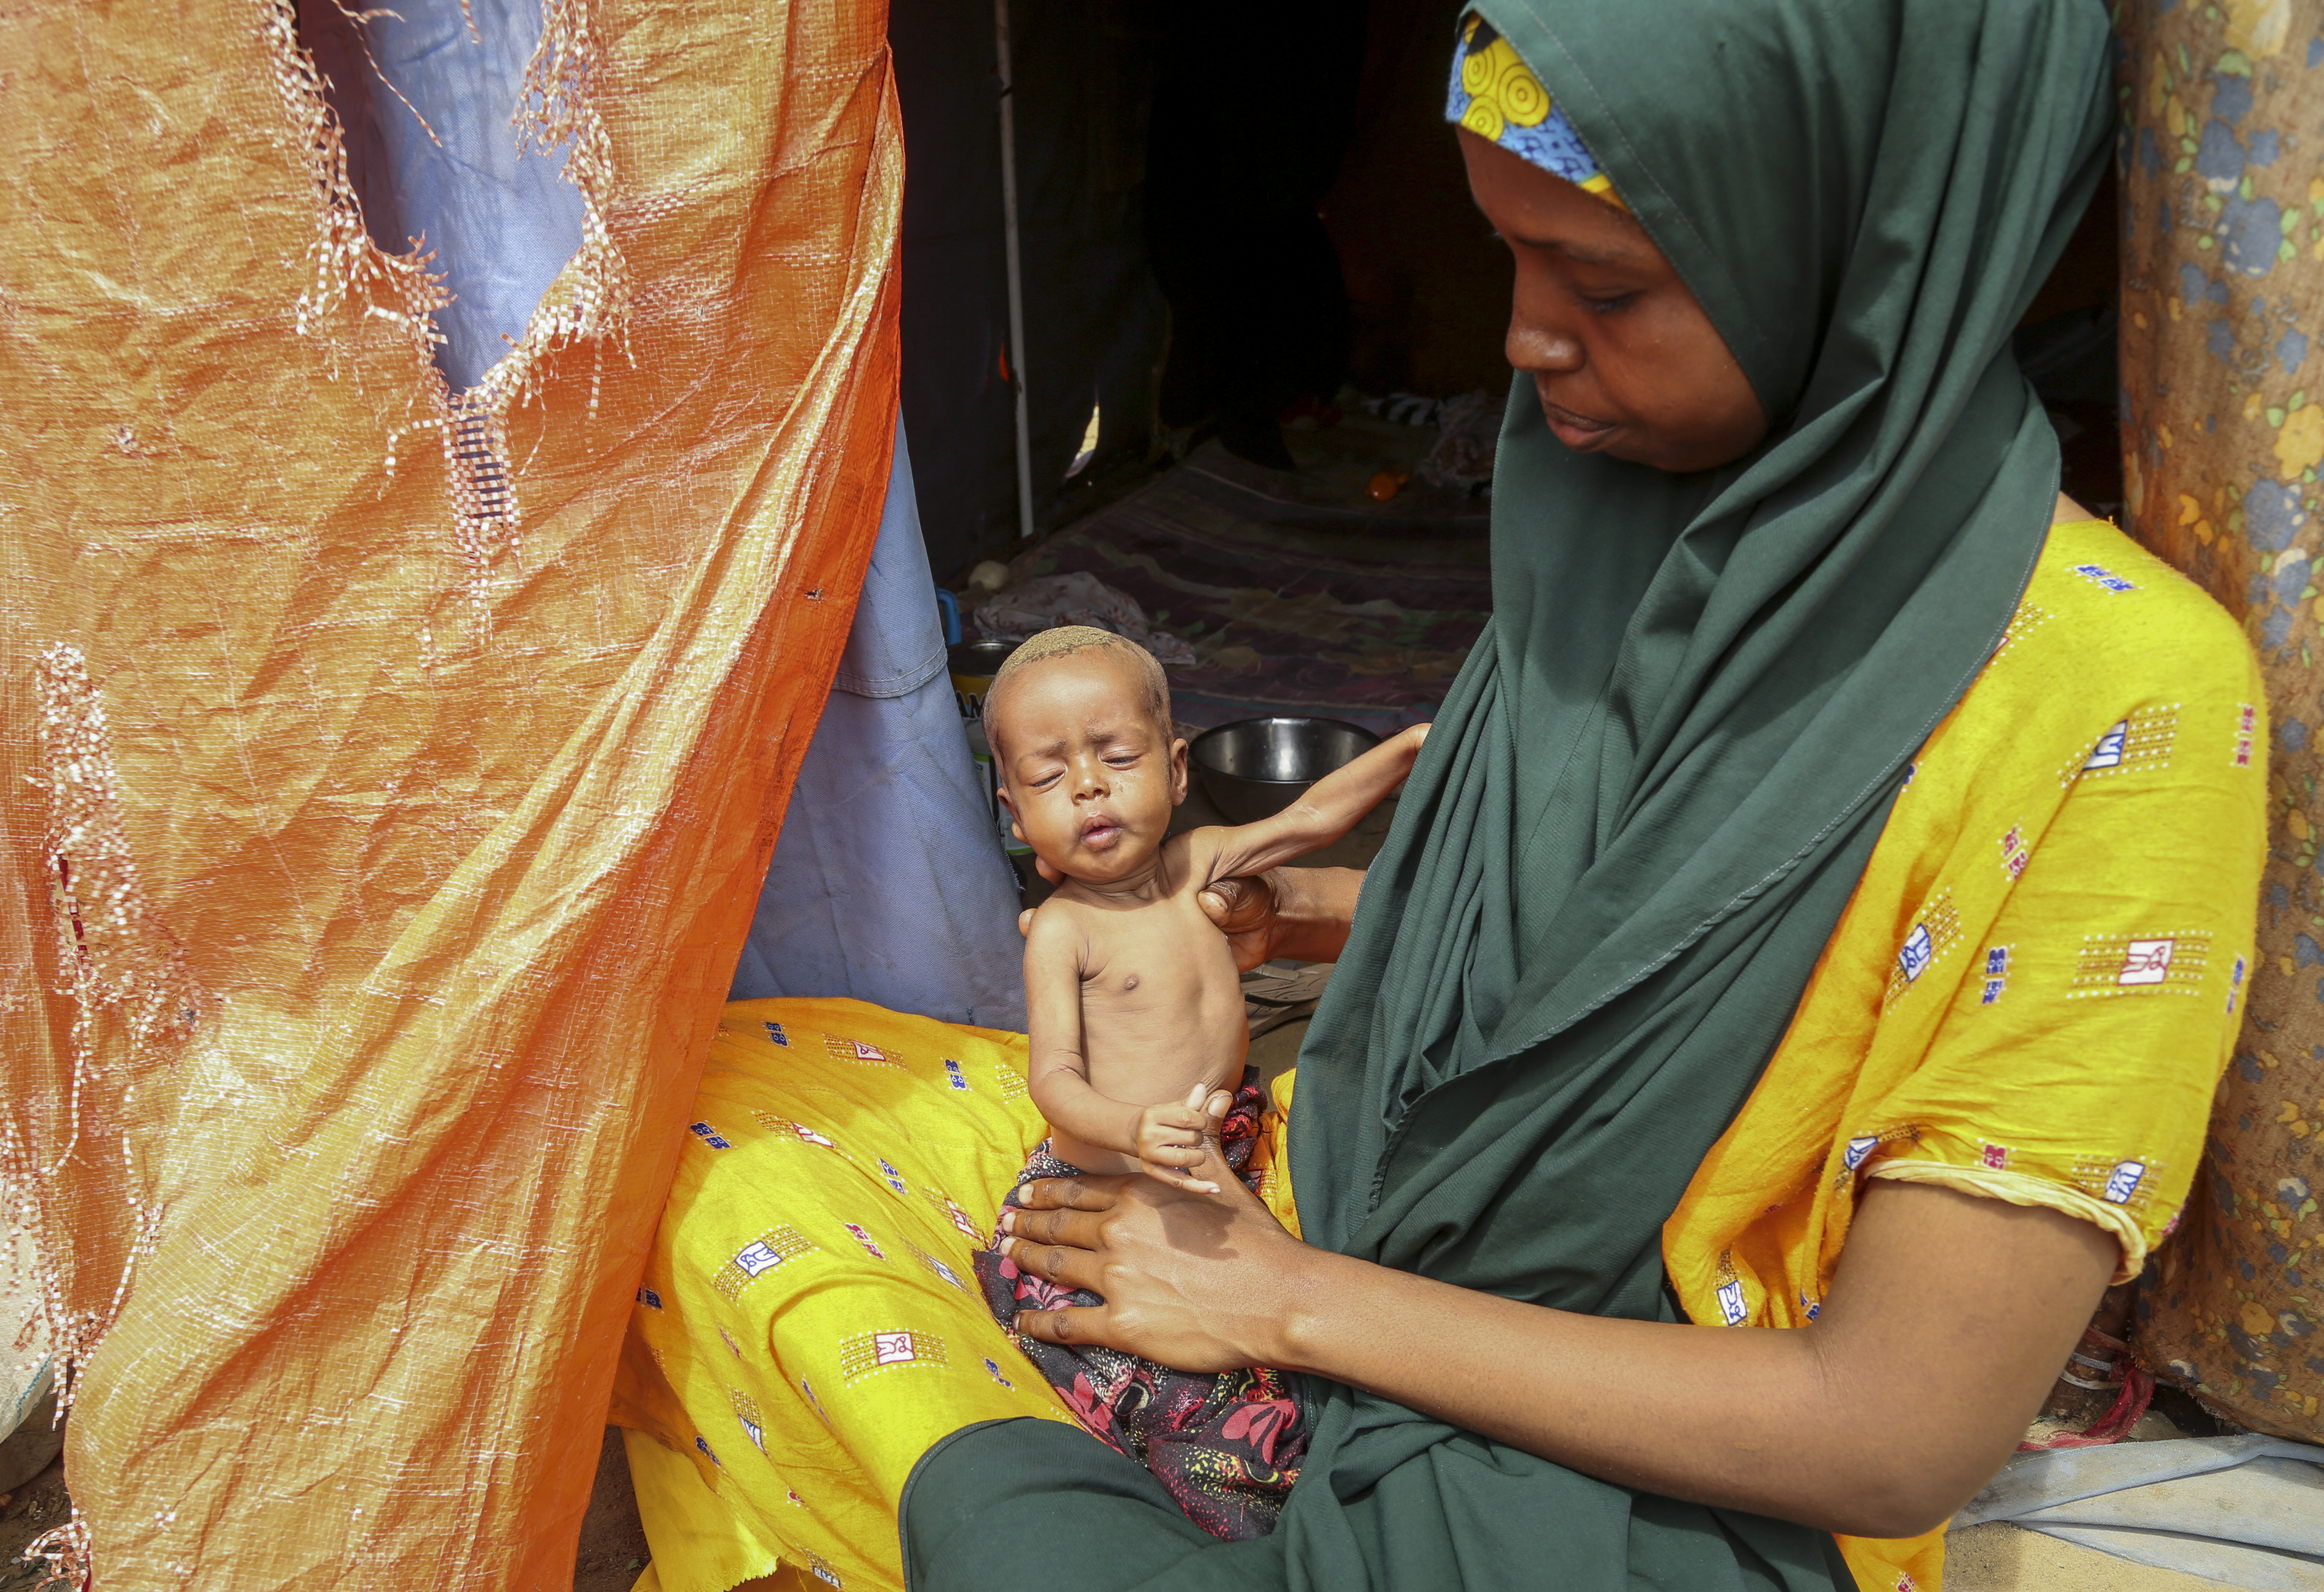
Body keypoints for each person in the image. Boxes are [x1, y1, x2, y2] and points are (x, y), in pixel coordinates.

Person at [612, 3, 2266, 1590]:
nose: (1523, 339)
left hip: (1644, 1431)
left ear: (1866, 247)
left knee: (1009, 1488)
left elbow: (1890, 1430)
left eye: (1605, 284)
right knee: (713, 1125)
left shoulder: (2118, 700)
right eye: (1507, 253)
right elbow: (1625, 952)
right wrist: (1329, 915)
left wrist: (1283, 1304)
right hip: (1323, 1193)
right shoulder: (1610, 507)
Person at [970, 625, 1427, 1538]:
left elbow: (1309, 819)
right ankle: (1231, 1515)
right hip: (1121, 1175)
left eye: (1116, 756)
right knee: (1184, 1391)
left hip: (1222, 1142)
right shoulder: (1063, 929)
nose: (1089, 785)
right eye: (1051, 776)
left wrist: (1410, 749)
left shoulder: (1200, 863)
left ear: (1177, 771)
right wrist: (1132, 1128)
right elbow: (1054, 1079)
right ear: (1015, 816)